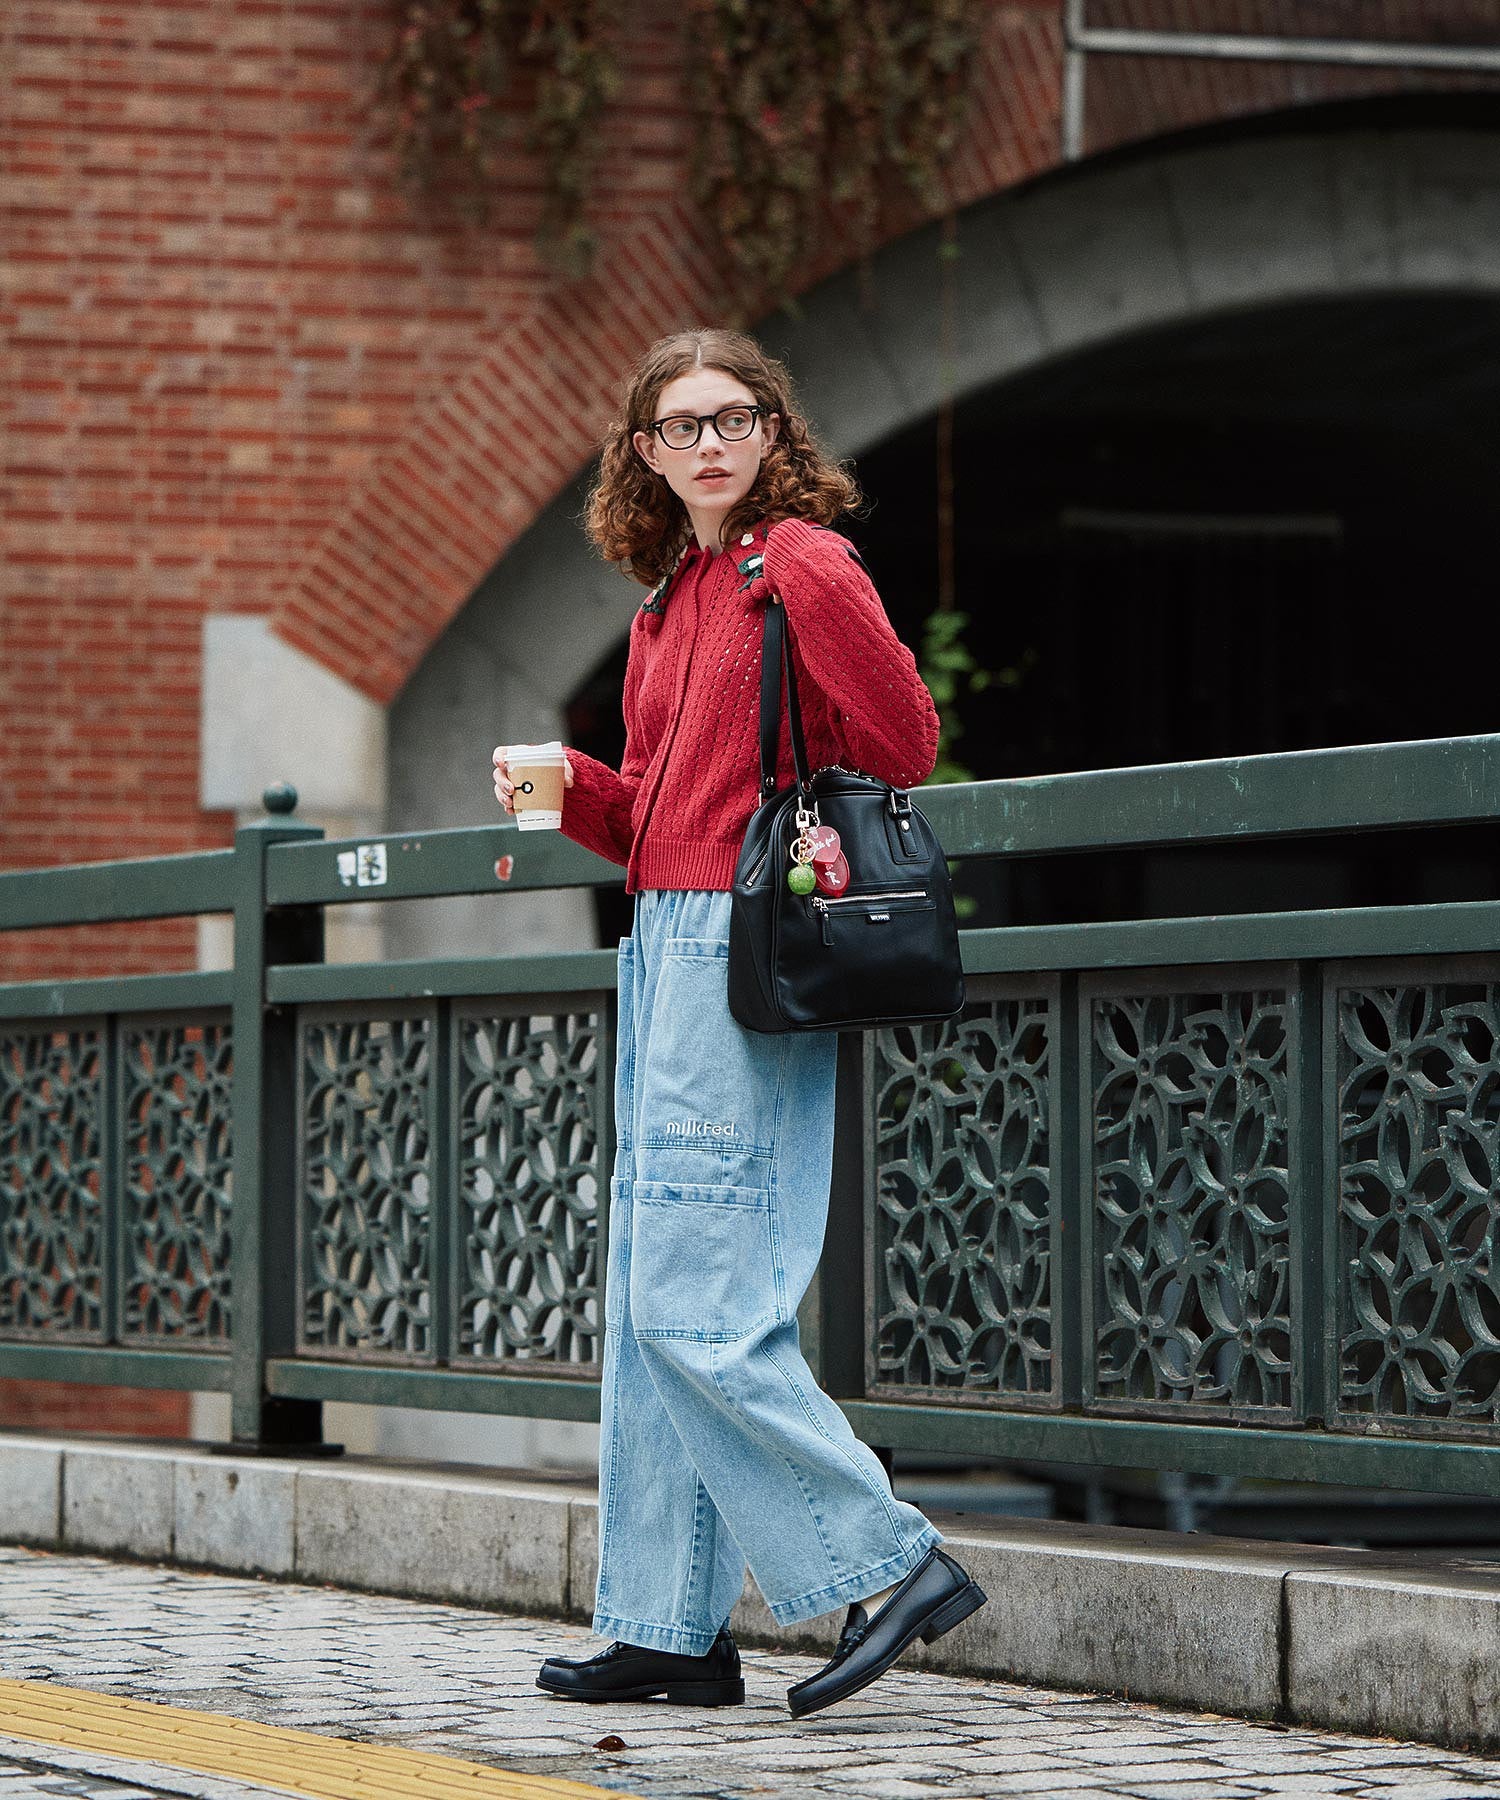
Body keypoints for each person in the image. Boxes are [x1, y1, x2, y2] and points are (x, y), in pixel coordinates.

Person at [492, 327, 987, 1720]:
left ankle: (890, 1564)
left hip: (745, 950)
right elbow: (656, 814)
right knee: (650, 1306)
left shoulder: (801, 567)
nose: (709, 444)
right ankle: (668, 1625)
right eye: (680, 426)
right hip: (664, 942)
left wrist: (801, 584)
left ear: (773, 431)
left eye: (734, 418)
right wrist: (569, 783)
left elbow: (902, 746)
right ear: (643, 454)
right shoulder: (671, 598)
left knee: (697, 1303)